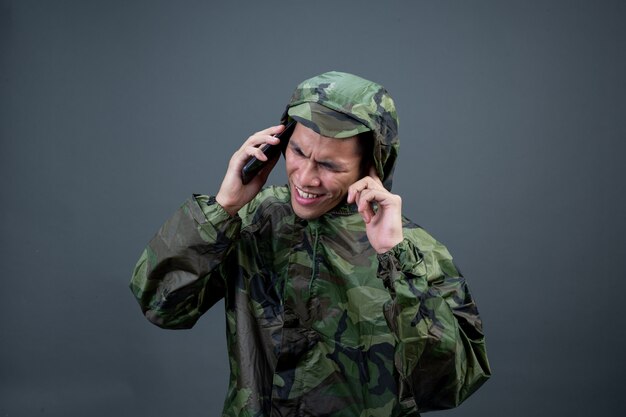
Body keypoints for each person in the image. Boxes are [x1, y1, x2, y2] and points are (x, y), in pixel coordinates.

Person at [130, 71, 491, 416]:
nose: (305, 178)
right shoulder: (254, 219)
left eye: (330, 166)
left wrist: (394, 259)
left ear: (372, 167)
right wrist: (222, 209)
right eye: (298, 152)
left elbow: (449, 385)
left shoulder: (411, 251)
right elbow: (162, 306)